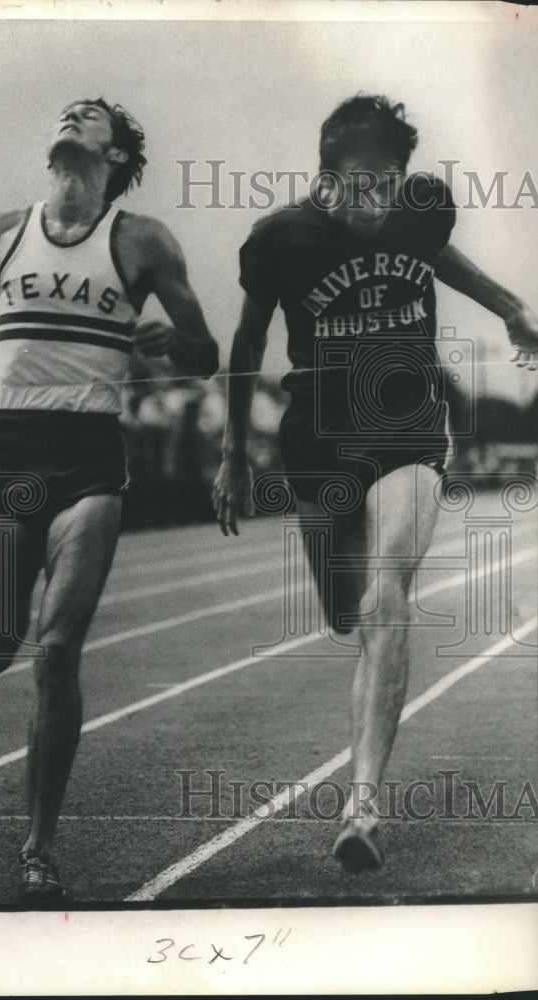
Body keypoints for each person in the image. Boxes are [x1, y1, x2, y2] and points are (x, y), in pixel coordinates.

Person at [213, 95, 538, 872]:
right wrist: (231, 451)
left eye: (387, 184)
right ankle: (350, 611)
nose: (374, 201)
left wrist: (511, 309)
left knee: (384, 593)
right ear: (326, 179)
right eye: (359, 184)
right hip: (318, 434)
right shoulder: (280, 239)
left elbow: (435, 257)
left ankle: (363, 803)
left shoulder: (420, 210)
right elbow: (248, 339)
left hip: (406, 425)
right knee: (340, 607)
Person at [0, 98, 219, 903]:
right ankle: (12, 587)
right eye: (67, 111)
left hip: (89, 463)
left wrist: (173, 344)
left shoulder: (141, 241)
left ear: (115, 152)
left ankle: (38, 848)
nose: (72, 117)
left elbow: (205, 354)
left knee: (57, 653)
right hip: (8, 460)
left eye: (90, 115)